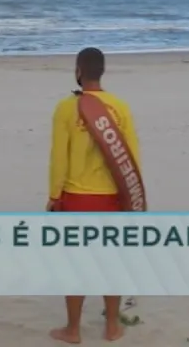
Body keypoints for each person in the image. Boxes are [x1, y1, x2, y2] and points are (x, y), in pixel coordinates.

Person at [47, 47, 145, 344]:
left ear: (78, 70)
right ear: (102, 71)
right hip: (112, 198)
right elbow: (131, 158)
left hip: (76, 198)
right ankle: (112, 327)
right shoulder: (120, 107)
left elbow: (58, 158)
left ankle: (73, 330)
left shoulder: (67, 108)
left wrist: (54, 196)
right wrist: (135, 202)